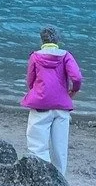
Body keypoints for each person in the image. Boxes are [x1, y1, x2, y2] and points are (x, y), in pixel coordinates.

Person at [21, 28, 83, 174]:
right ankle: (59, 180)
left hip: (40, 105)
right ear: (58, 40)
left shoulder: (35, 57)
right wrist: (73, 91)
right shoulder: (66, 56)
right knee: (60, 148)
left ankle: (42, 176)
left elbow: (30, 80)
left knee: (37, 145)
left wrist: (35, 92)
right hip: (62, 106)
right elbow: (77, 78)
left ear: (41, 40)